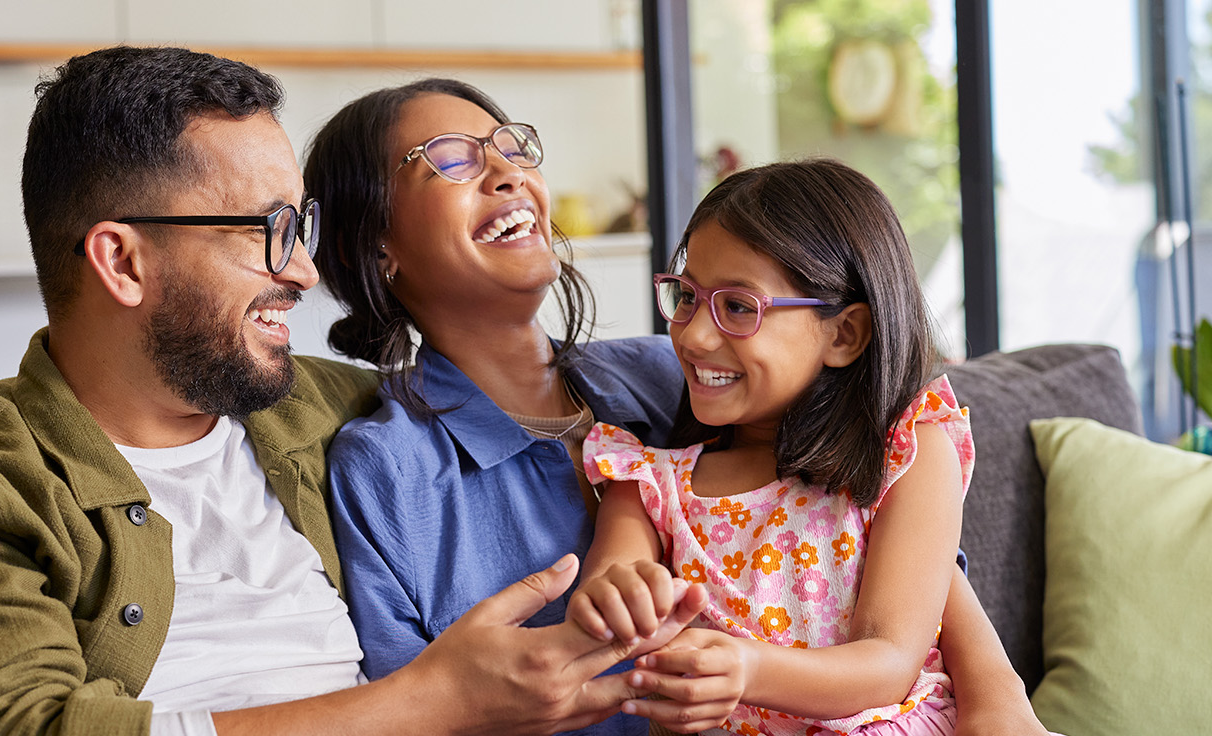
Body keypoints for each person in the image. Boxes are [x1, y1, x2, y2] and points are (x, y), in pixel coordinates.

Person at [0, 46, 699, 736]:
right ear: (122, 259)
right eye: (267, 230)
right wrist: (432, 701)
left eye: (299, 227)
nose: (304, 272)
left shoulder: (339, 415)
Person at [307, 82, 1047, 736]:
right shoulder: (386, 468)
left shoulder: (677, 373)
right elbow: (406, 708)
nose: (508, 172)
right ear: (374, 245)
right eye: (453, 157)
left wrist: (996, 687)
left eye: (509, 145)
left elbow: (864, 513)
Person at [568, 159, 1046, 734]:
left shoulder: (906, 455)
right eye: (687, 296)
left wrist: (748, 667)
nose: (692, 334)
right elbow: (611, 581)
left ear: (843, 334)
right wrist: (616, 598)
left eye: (738, 307)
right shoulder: (647, 483)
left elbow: (888, 661)